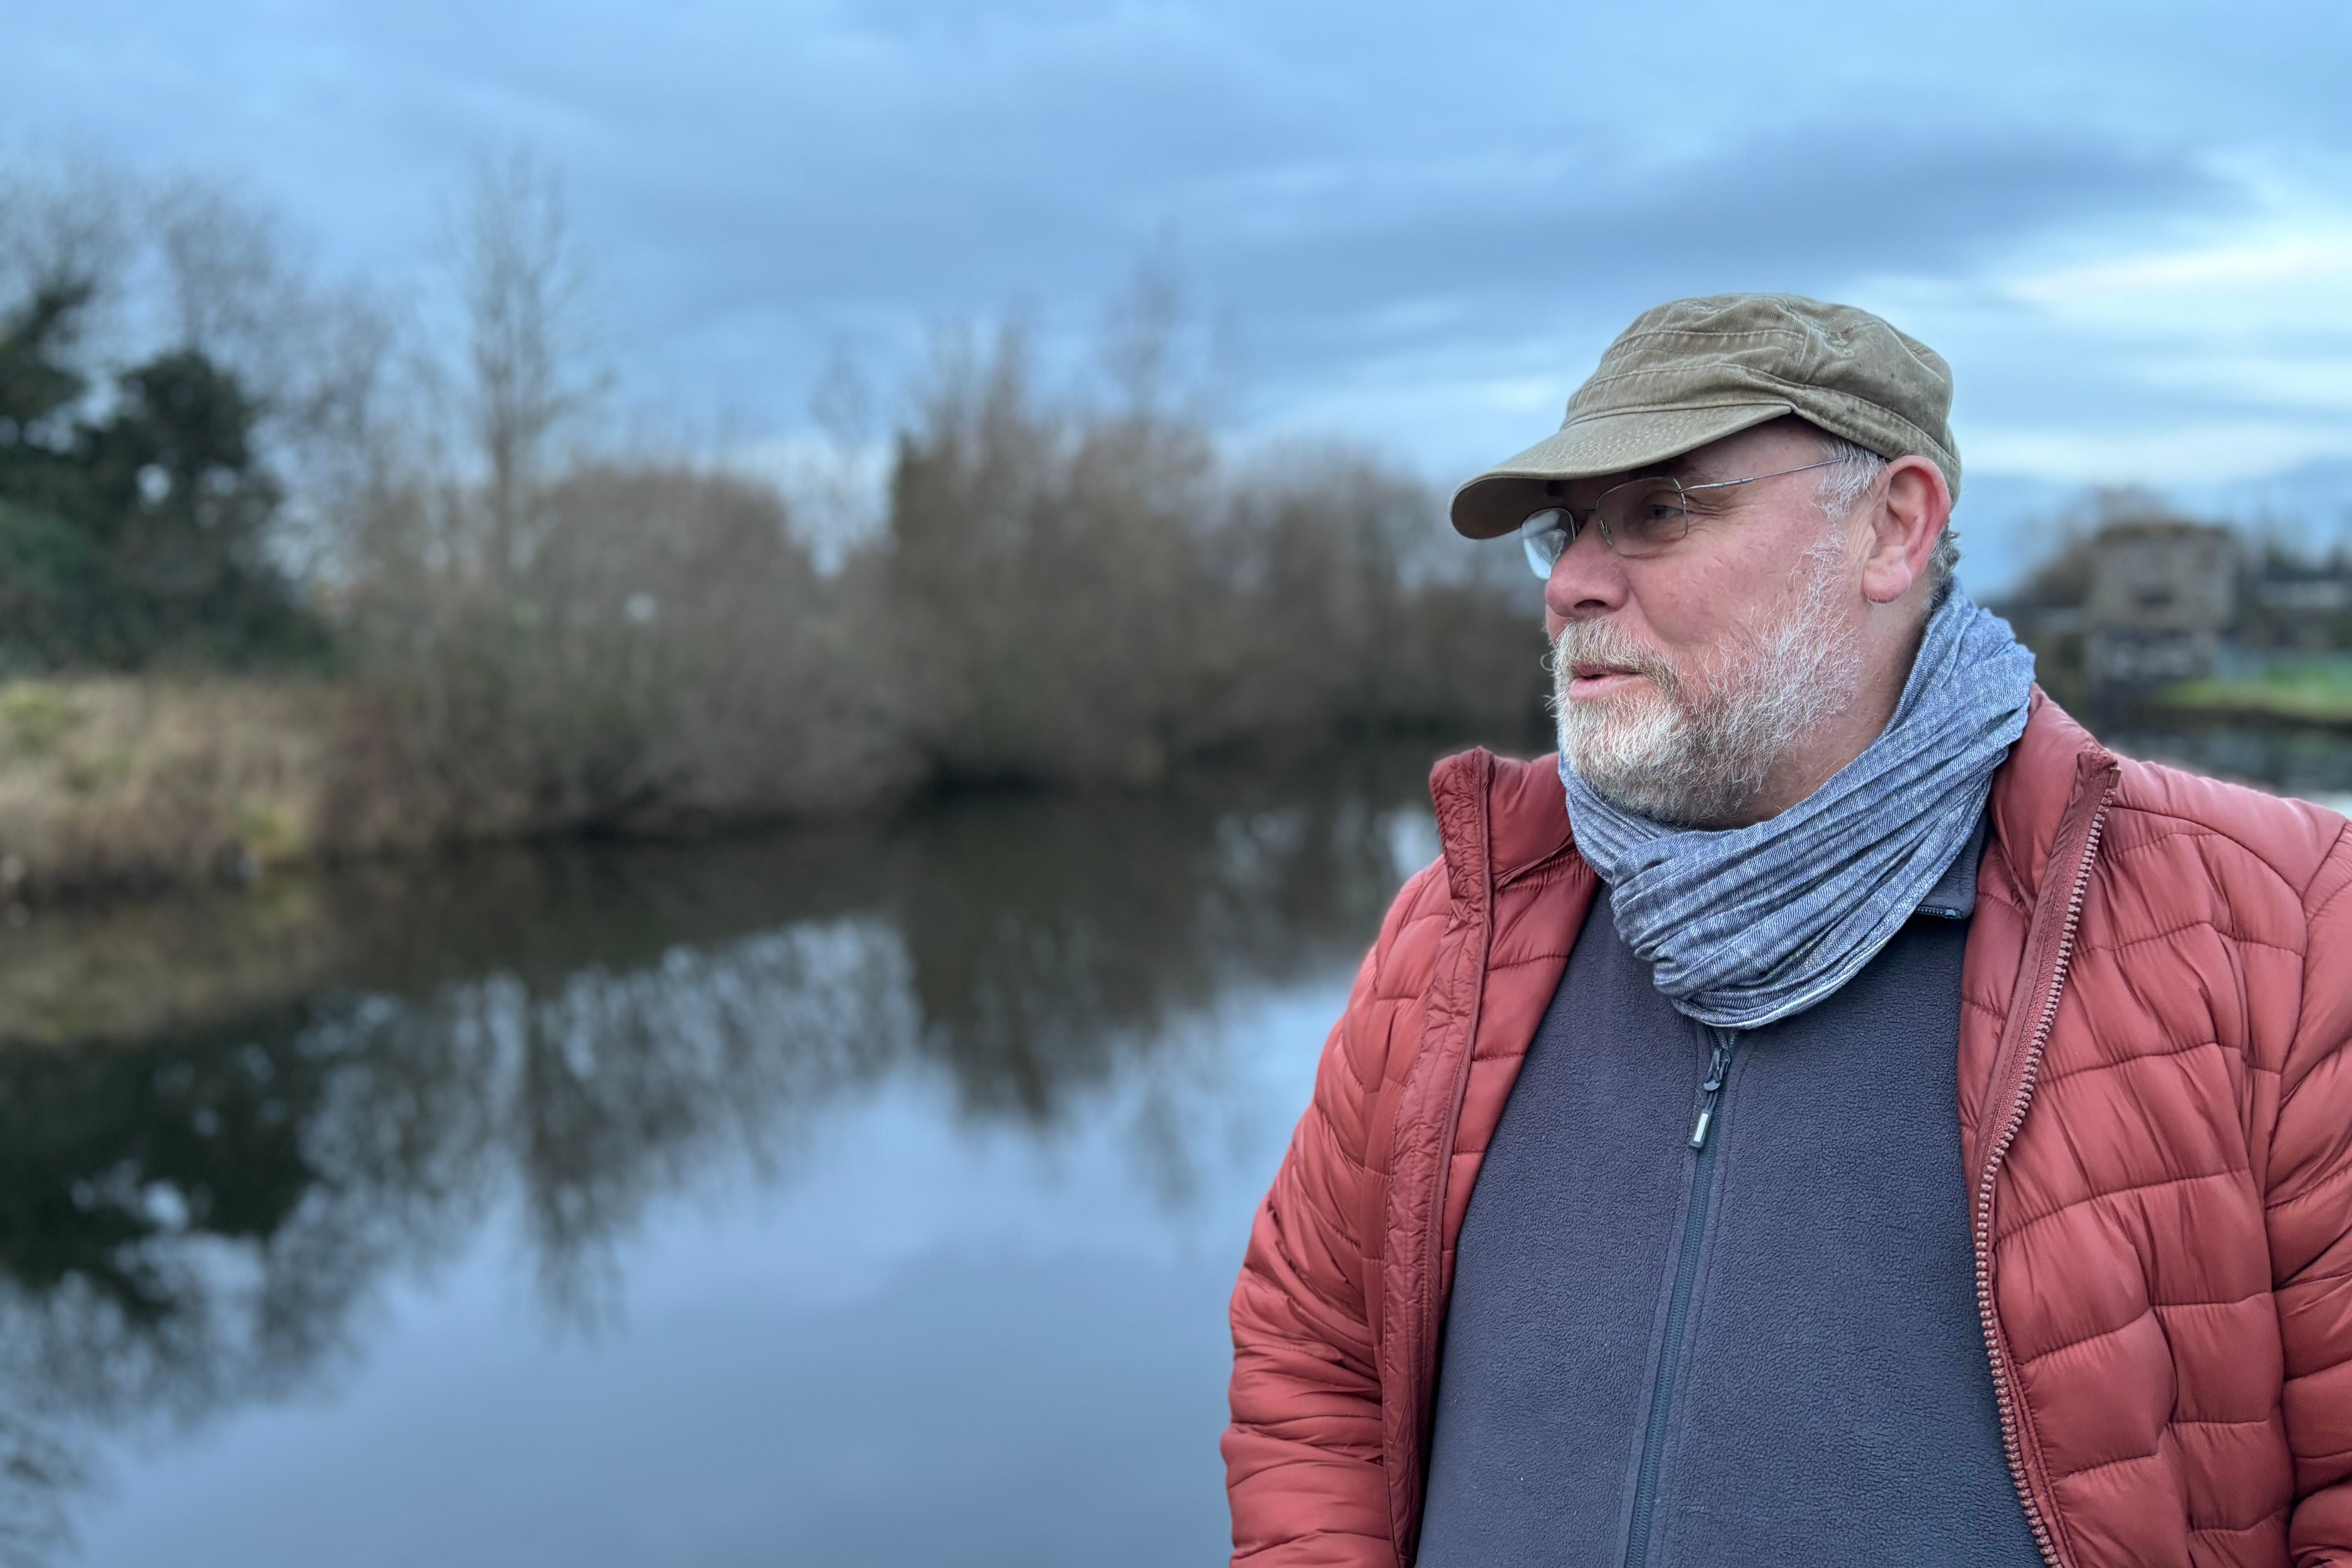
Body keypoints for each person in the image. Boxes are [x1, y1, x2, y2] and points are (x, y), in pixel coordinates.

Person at [1222, 293, 2352, 1567]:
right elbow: (1313, 1359)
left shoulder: (2288, 931)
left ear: (1893, 528)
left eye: (1662, 510)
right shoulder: (1457, 934)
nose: (1576, 586)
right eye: (1568, 529)